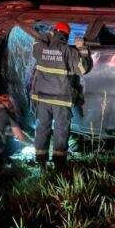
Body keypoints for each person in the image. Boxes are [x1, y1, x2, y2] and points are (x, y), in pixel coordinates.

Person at [31, 21, 92, 167]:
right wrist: (82, 49)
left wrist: (48, 35)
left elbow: (36, 41)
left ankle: (40, 162)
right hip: (61, 99)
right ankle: (59, 163)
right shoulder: (69, 52)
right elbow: (83, 69)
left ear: (54, 31)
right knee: (61, 130)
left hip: (43, 98)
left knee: (42, 128)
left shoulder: (40, 48)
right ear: (67, 35)